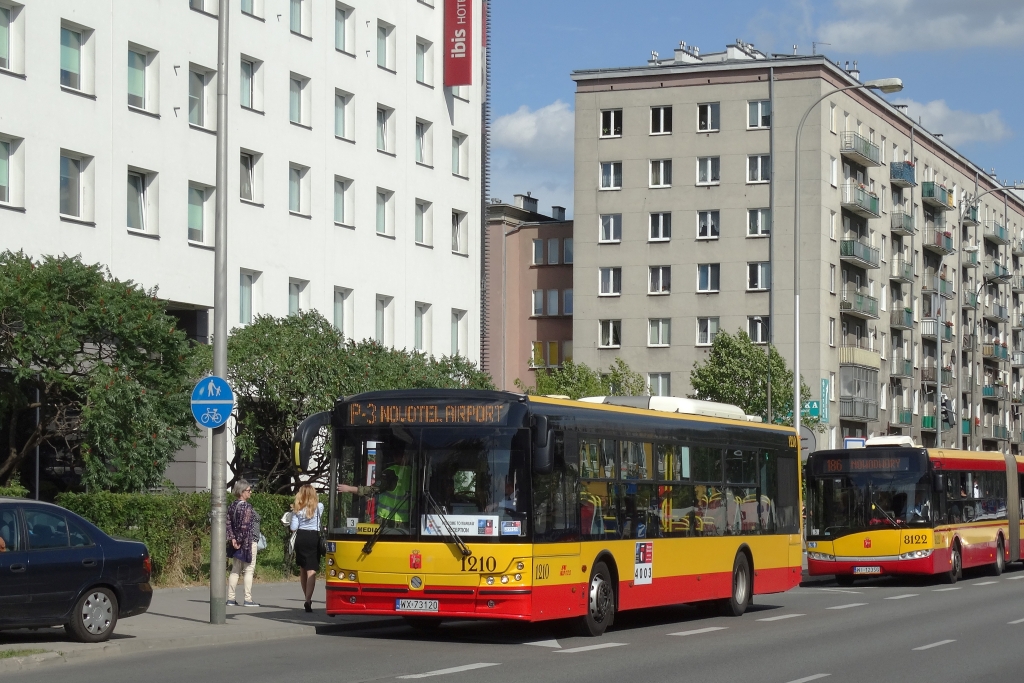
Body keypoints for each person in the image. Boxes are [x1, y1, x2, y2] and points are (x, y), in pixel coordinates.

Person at [338, 445, 412, 523]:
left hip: (388, 520)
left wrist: (348, 488)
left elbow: (371, 490)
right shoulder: (414, 472)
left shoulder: (392, 472)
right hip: (406, 521)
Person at [227, 479, 261, 607]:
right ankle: (248, 599)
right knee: (249, 570)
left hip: (235, 542)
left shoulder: (232, 505)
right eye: (248, 490)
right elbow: (245, 526)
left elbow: (228, 523)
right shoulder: (247, 507)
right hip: (248, 542)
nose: (250, 492)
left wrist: (233, 539)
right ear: (242, 492)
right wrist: (240, 540)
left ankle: (230, 598)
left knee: (235, 569)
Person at [290, 484, 324, 613]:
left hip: (301, 537)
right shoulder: (319, 507)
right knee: (312, 570)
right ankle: (308, 599)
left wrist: (294, 513)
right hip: (313, 538)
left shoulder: (297, 509)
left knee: (303, 569)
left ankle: (307, 598)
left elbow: (293, 528)